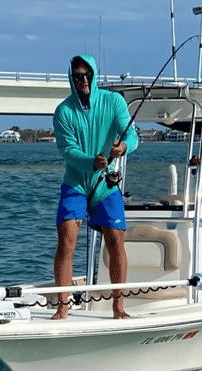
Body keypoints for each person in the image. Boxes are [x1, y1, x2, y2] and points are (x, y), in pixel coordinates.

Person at [52, 53, 138, 319]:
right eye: (78, 76)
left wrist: (122, 146)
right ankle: (62, 307)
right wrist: (92, 161)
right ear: (72, 78)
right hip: (76, 182)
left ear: (95, 75)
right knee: (66, 241)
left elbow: (132, 135)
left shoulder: (113, 102)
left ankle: (118, 307)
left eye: (87, 75)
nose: (84, 80)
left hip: (105, 185)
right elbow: (68, 151)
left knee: (115, 241)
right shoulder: (63, 111)